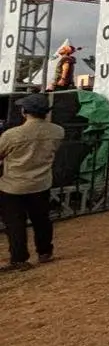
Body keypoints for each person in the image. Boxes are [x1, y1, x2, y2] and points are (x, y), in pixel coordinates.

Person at [0, 93, 65, 272]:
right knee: (42, 219)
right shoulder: (57, 131)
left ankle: (19, 258)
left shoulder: (12, 134)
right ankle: (45, 252)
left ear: (24, 111)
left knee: (15, 223)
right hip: (41, 182)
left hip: (13, 185)